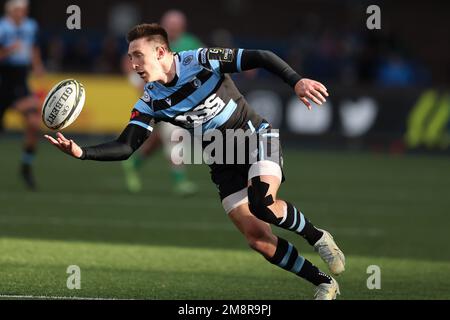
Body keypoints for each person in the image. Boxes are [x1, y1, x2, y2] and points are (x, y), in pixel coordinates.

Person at [45, 23, 345, 300]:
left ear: (161, 52)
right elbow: (125, 146)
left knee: (262, 203)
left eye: (138, 56)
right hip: (221, 158)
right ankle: (323, 282)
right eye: (130, 57)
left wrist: (296, 81)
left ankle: (316, 236)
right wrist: (82, 152)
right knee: (258, 239)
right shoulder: (150, 99)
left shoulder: (200, 60)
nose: (133, 64)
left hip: (254, 139)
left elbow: (262, 56)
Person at [122, 10, 201, 195]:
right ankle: (180, 182)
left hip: (182, 101)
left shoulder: (190, 43)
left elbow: (205, 61)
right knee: (175, 135)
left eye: (176, 27)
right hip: (159, 100)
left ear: (182, 28)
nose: (172, 31)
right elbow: (128, 63)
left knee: (160, 140)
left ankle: (133, 163)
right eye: (169, 27)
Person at [0, 0, 44, 190]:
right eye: (19, 10)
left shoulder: (30, 26)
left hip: (20, 81)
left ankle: (26, 166)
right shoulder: (2, 28)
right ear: (11, 10)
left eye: (25, 9)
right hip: (3, 80)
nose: (23, 13)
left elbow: (33, 47)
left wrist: (37, 65)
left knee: (34, 122)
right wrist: (9, 50)